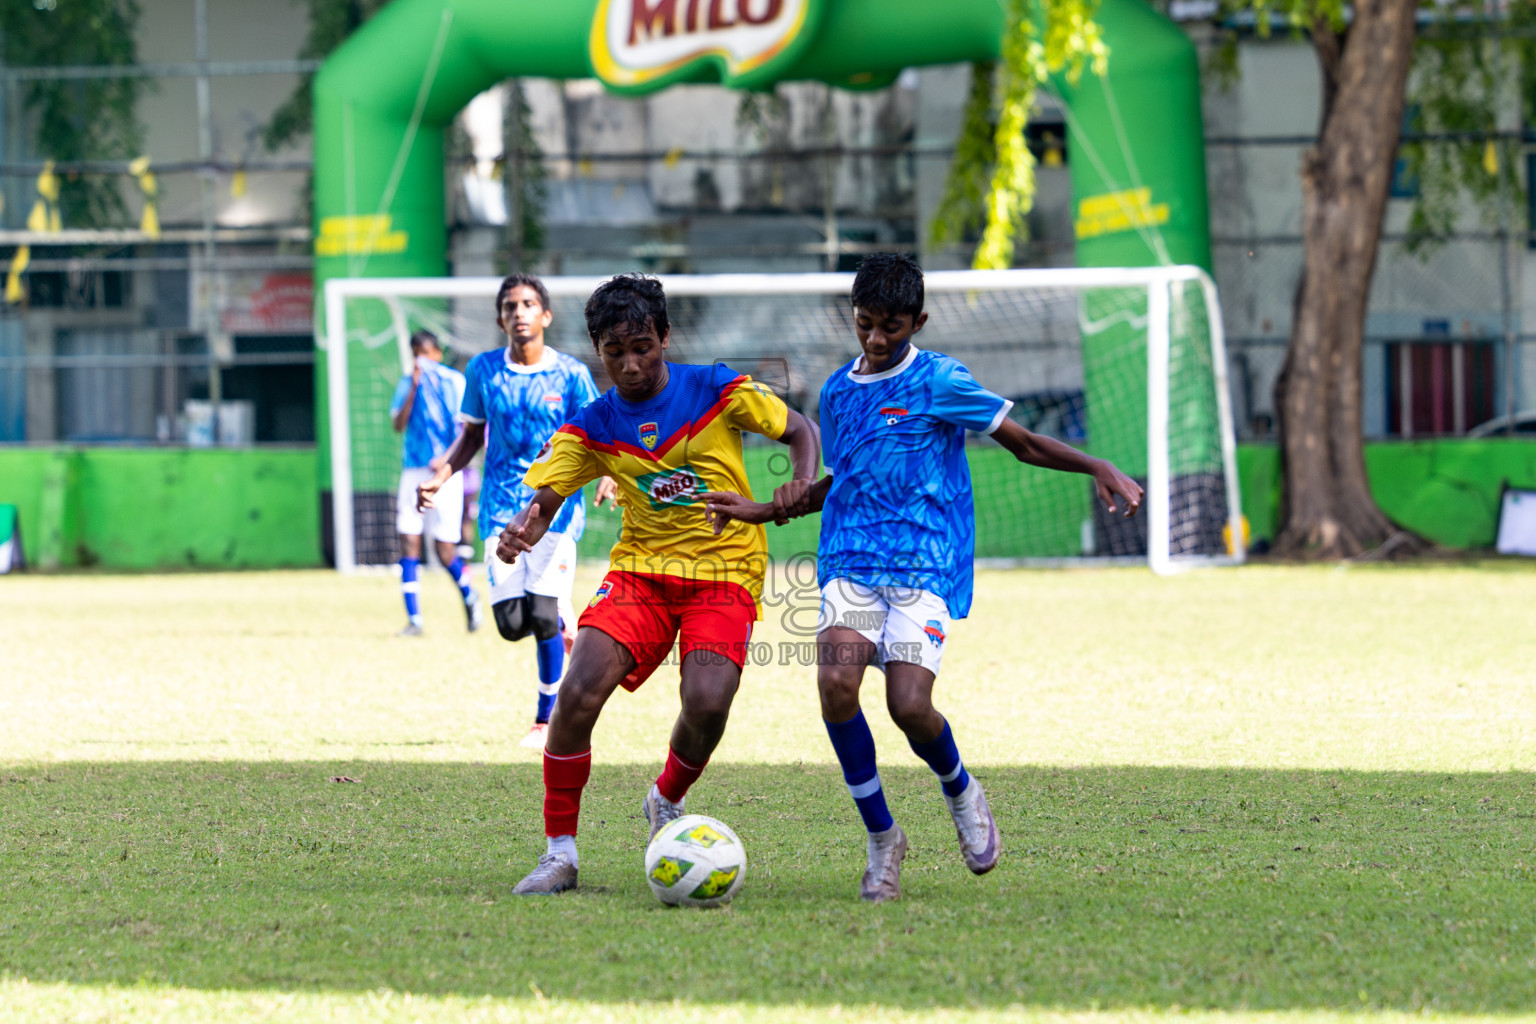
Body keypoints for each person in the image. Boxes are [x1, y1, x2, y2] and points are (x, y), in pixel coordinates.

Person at [703, 252, 1144, 902]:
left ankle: (962, 790)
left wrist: (1096, 465)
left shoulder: (940, 379)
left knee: (908, 705)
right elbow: (843, 483)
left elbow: (1021, 443)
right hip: (851, 559)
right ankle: (883, 839)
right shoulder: (838, 392)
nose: (877, 340)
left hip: (924, 563)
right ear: (850, 316)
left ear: (919, 321)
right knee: (834, 683)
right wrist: (768, 509)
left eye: (892, 327)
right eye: (865, 324)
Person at [498, 273, 819, 895]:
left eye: (642, 346)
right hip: (641, 572)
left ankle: (665, 797)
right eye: (614, 353)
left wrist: (800, 485)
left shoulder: (718, 388)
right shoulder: (592, 424)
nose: (631, 364)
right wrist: (523, 529)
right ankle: (559, 853)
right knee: (577, 693)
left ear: (665, 337)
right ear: (597, 351)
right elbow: (544, 500)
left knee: (706, 702)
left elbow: (800, 430)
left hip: (724, 572)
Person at [418, 274, 616, 748]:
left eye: (529, 304)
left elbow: (600, 432)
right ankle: (564, 622)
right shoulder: (483, 371)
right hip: (500, 507)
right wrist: (441, 475)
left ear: (545, 315)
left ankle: (546, 721)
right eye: (510, 306)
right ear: (500, 317)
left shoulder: (570, 374)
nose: (519, 312)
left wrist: (609, 472)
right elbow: (469, 438)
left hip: (556, 505)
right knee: (511, 625)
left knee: (543, 615)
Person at [389, 329, 480, 637]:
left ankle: (469, 595)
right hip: (412, 470)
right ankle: (414, 619)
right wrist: (413, 387)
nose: (422, 361)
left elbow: (467, 429)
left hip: (445, 474)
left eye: (427, 354)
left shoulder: (453, 382)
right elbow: (397, 424)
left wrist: (444, 459)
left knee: (444, 550)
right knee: (409, 539)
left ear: (437, 354)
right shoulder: (407, 382)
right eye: (417, 354)